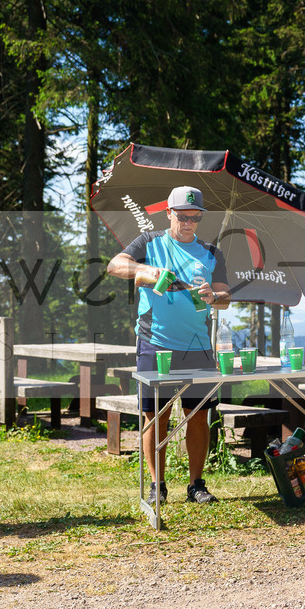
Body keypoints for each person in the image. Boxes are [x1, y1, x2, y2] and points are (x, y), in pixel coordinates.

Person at [107, 186, 231, 505]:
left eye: (195, 217)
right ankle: (157, 486)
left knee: (198, 415)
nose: (188, 222)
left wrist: (213, 297)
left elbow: (226, 297)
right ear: (169, 214)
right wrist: (147, 271)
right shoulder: (149, 243)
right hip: (155, 342)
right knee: (155, 416)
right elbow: (115, 266)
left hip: (198, 345)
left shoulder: (211, 253)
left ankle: (196, 485)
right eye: (183, 216)